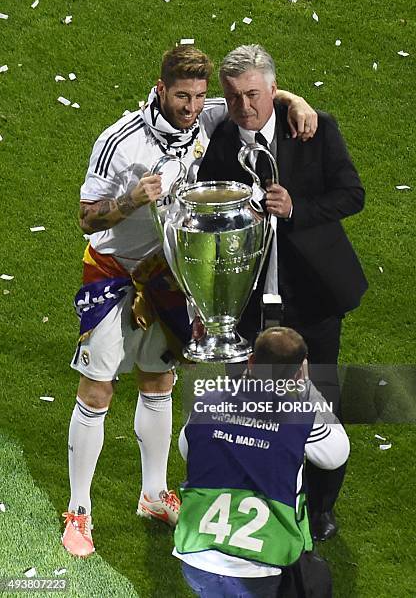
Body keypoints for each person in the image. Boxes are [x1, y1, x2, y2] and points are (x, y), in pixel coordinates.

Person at [61, 44, 319, 557]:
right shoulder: (119, 141)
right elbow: (86, 219)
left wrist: (296, 101)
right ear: (160, 90)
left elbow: (253, 99)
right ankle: (79, 511)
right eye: (183, 96)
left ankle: (154, 495)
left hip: (166, 275)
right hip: (113, 274)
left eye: (200, 96)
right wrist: (133, 198)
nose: (193, 107)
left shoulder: (206, 116)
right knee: (98, 390)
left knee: (159, 382)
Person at [197, 44, 368, 541]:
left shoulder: (314, 130)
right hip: (247, 302)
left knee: (321, 407)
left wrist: (294, 208)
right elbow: (209, 213)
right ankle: (250, 498)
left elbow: (351, 194)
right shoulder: (223, 139)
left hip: (312, 298)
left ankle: (320, 510)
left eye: (253, 94)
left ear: (274, 90)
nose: (244, 106)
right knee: (244, 404)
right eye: (233, 97)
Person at [173, 327, 350, 598]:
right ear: (297, 374)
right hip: (258, 565)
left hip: (196, 556)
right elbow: (336, 454)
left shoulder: (206, 401)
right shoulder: (302, 417)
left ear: (251, 361)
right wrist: (307, 392)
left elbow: (186, 450)